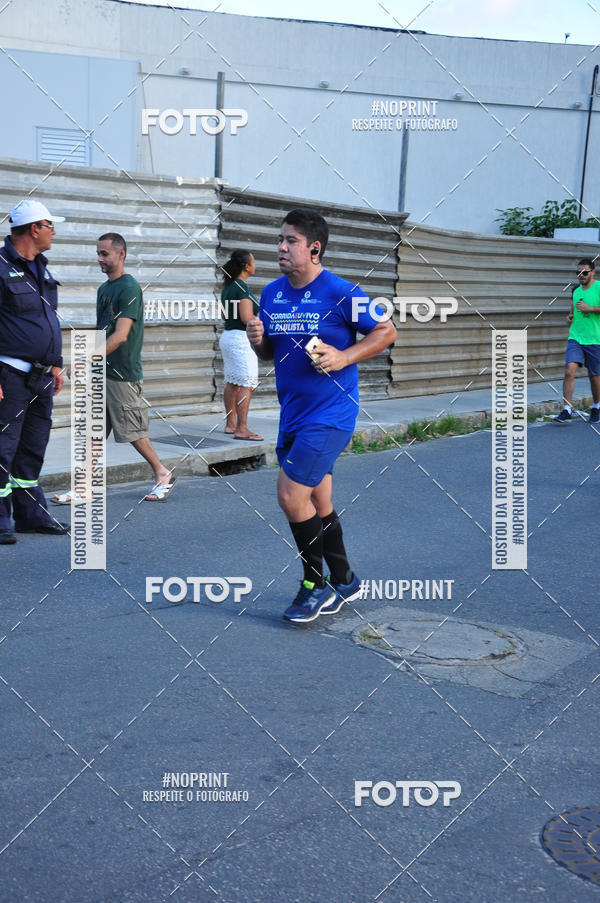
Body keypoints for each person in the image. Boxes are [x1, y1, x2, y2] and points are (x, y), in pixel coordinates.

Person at [247, 208, 397, 624]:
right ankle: (346, 578)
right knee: (319, 500)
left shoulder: (341, 292)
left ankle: (315, 584)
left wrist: (344, 355)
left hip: (331, 414)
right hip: (292, 413)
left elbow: (387, 332)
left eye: (290, 240)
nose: (280, 246)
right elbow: (270, 355)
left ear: (314, 248)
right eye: (280, 239)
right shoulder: (273, 293)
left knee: (290, 497)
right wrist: (257, 341)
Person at [53, 232, 175, 503]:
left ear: (121, 255)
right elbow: (102, 332)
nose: (100, 259)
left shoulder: (129, 288)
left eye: (104, 254)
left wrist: (86, 360)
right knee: (94, 430)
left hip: (122, 372)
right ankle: (83, 487)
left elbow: (120, 335)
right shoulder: (103, 289)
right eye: (98, 253)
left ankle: (162, 472)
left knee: (132, 431)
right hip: (102, 371)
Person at [0, 199, 69, 544]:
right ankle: (0, 521)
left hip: (41, 375)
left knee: (32, 448)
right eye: (50, 225)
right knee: (3, 446)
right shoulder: (0, 266)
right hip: (9, 374)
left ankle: (30, 515)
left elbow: (47, 320)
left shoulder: (41, 266)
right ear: (33, 229)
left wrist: (56, 362)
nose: (54, 231)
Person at [219, 250, 263, 441]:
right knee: (246, 383)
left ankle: (231, 424)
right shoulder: (242, 287)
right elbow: (247, 319)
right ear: (246, 266)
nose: (255, 265)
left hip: (228, 336)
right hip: (241, 340)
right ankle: (242, 428)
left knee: (232, 382)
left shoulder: (228, 288)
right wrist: (262, 320)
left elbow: (223, 316)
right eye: (254, 262)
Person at [555, 258, 600, 424]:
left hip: (595, 339)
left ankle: (596, 406)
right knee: (569, 371)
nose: (581, 275)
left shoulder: (599, 288)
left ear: (593, 272)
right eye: (578, 272)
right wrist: (569, 317)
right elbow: (572, 311)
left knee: (594, 376)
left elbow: (590, 309)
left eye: (585, 272)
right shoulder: (575, 290)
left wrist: (591, 309)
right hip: (576, 338)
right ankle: (567, 410)